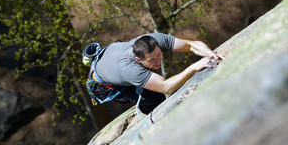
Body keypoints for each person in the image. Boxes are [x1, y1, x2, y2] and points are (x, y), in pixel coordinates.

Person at [86, 33, 224, 114]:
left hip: (112, 59)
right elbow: (166, 87)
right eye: (152, 60)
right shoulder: (130, 70)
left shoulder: (153, 39)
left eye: (159, 54)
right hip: (103, 84)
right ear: (138, 60)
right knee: (156, 98)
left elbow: (190, 45)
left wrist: (211, 54)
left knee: (151, 86)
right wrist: (194, 66)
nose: (158, 62)